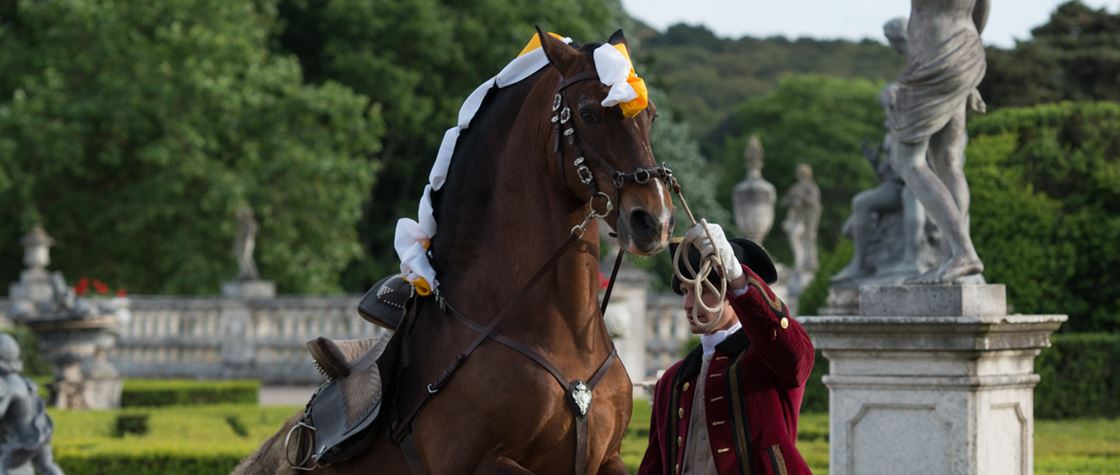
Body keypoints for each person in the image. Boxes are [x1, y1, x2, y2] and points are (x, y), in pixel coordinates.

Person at [639, 223, 814, 475]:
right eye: (686, 291)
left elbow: (794, 352)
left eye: (703, 290)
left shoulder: (767, 359)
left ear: (729, 294)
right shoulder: (672, 380)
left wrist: (738, 279)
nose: (688, 303)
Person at [888, 0, 989, 283]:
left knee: (906, 160)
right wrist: (966, 74)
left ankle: (963, 252)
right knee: (947, 159)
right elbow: (983, 8)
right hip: (966, 51)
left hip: (935, 59)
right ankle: (951, 259)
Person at [0, 334, 63, 475]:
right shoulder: (19, 380)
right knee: (46, 465)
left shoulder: (9, 385)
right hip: (38, 430)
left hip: (22, 441)